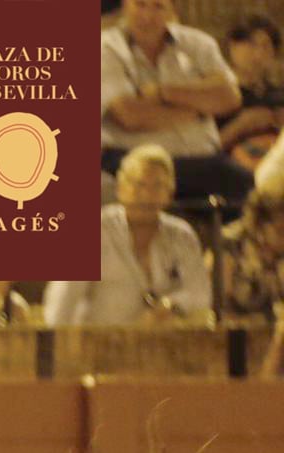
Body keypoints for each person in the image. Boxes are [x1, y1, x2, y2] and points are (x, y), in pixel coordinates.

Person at [100, 0, 250, 203]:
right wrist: (199, 109)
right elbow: (130, 116)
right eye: (140, 5)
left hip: (204, 160)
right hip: (133, 159)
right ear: (126, 5)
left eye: (158, 6)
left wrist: (164, 93)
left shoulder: (198, 44)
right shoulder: (105, 47)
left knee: (254, 192)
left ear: (172, 10)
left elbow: (229, 98)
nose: (147, 16)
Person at [44, 144, 211, 325]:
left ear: (170, 193)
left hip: (161, 344)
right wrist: (56, 345)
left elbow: (201, 293)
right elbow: (64, 298)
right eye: (139, 184)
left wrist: (171, 304)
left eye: (158, 186)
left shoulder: (181, 235)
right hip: (96, 344)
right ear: (120, 188)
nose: (147, 195)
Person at [217, 17, 284, 174]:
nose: (259, 54)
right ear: (232, 47)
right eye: (251, 44)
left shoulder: (279, 94)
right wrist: (241, 126)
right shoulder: (219, 95)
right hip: (231, 172)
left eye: (266, 46)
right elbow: (203, 149)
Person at [219, 184, 284, 317]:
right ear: (259, 225)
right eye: (281, 230)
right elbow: (220, 303)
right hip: (237, 331)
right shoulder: (230, 245)